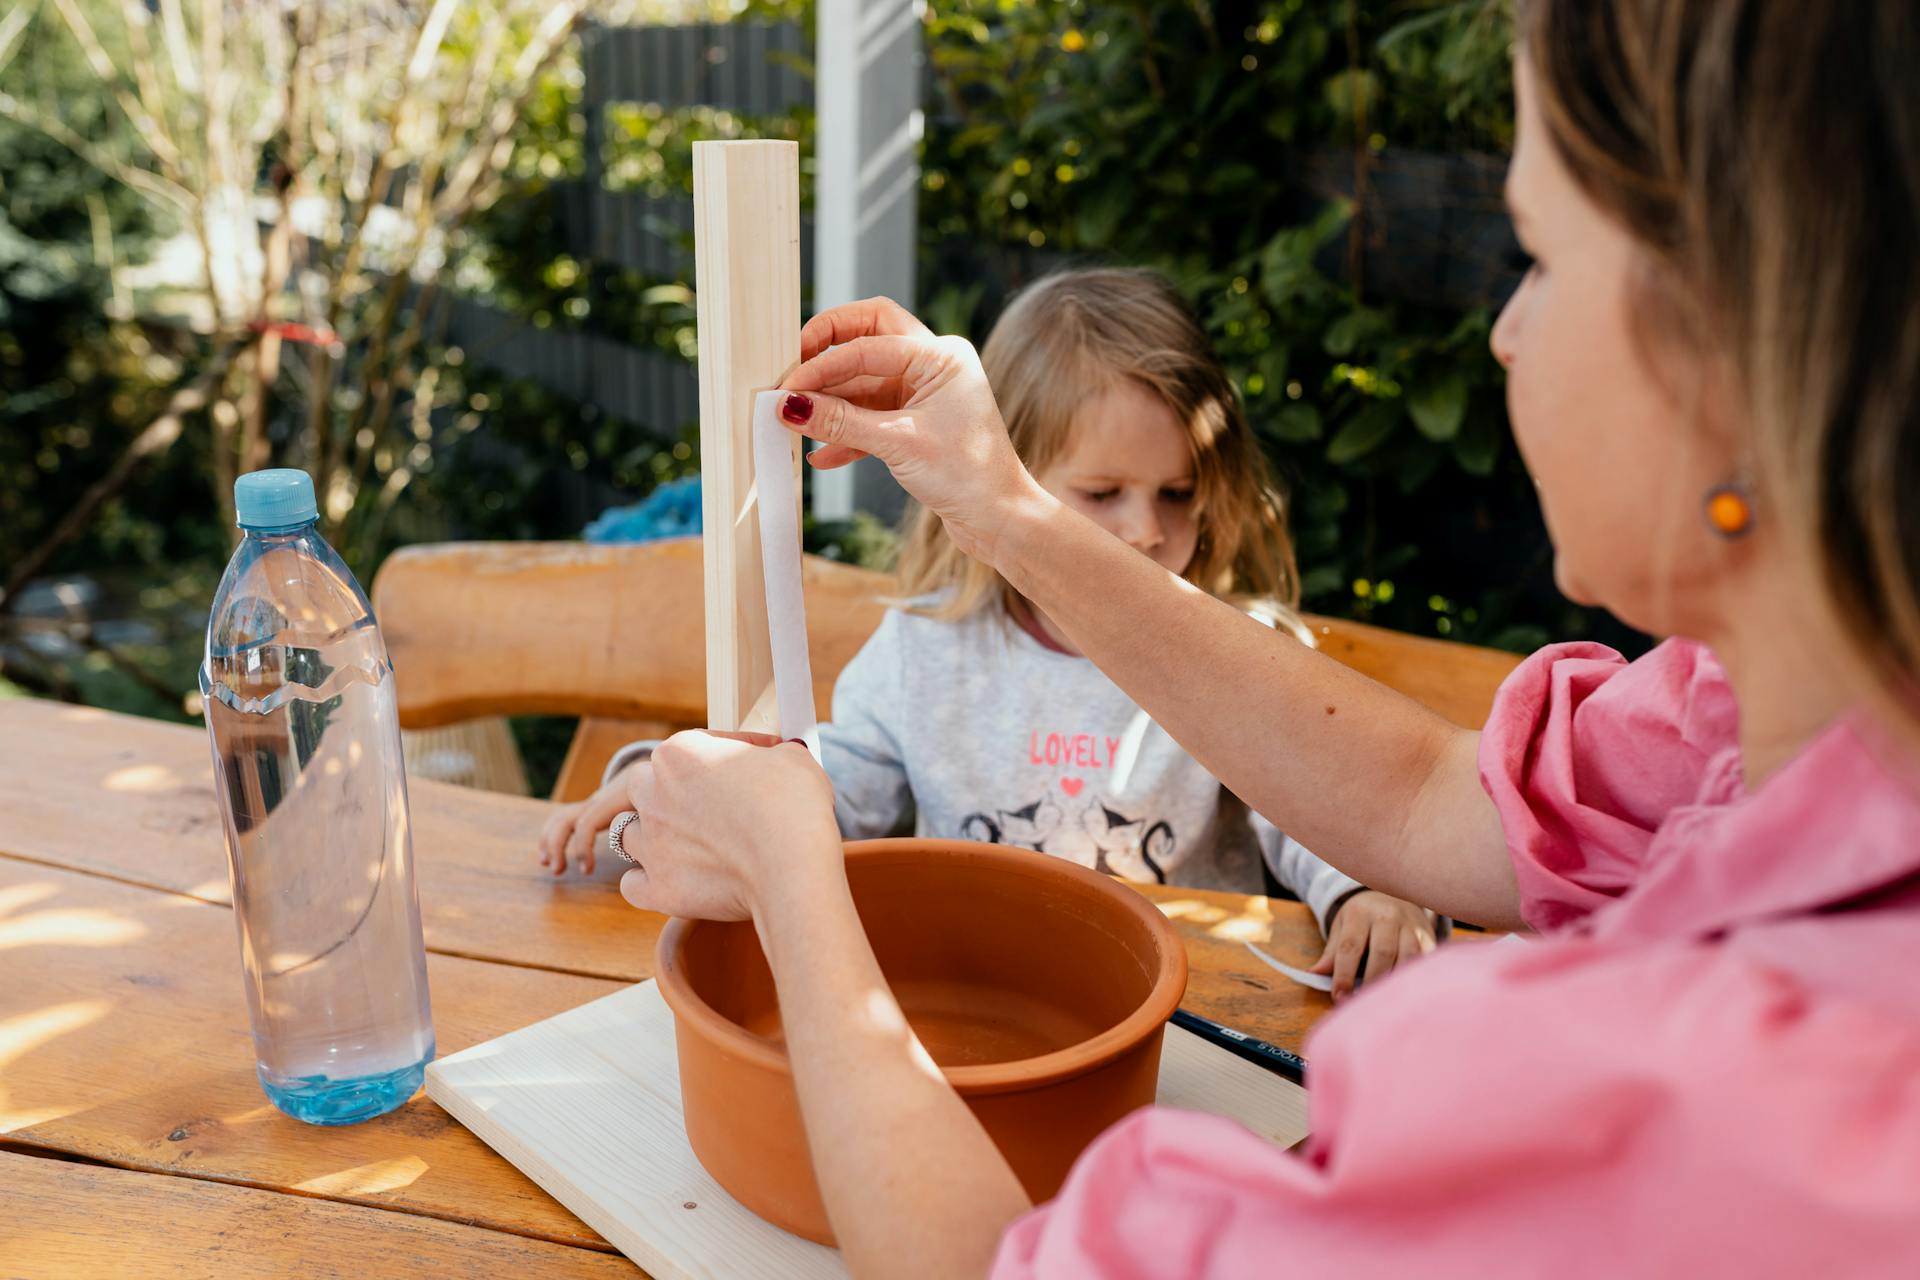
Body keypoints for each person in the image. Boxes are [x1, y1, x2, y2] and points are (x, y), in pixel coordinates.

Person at [613, 1, 1920, 1274]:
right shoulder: (1750, 728)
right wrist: (1004, 504)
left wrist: (793, 880)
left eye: (1540, 254)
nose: (1507, 331)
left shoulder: (1695, 1105)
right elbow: (1424, 798)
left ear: (1750, 333)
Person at [540, 267, 1438, 993]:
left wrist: (1369, 888)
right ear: (998, 471)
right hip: (978, 1009)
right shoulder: (926, 651)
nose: (1144, 531)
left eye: (1177, 494)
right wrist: (676, 789)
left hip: (1191, 1021)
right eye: (1101, 493)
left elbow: (1325, 804)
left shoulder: (1232, 654)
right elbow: (824, 798)